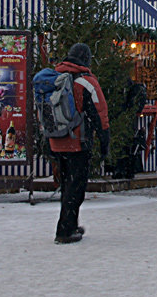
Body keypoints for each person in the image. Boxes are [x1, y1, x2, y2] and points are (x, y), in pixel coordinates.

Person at [47, 43, 110, 244]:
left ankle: (69, 224)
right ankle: (65, 230)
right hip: (78, 141)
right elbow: (100, 113)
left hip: (57, 140)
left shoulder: (55, 78)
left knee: (67, 184)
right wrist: (104, 140)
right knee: (76, 186)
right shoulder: (86, 81)